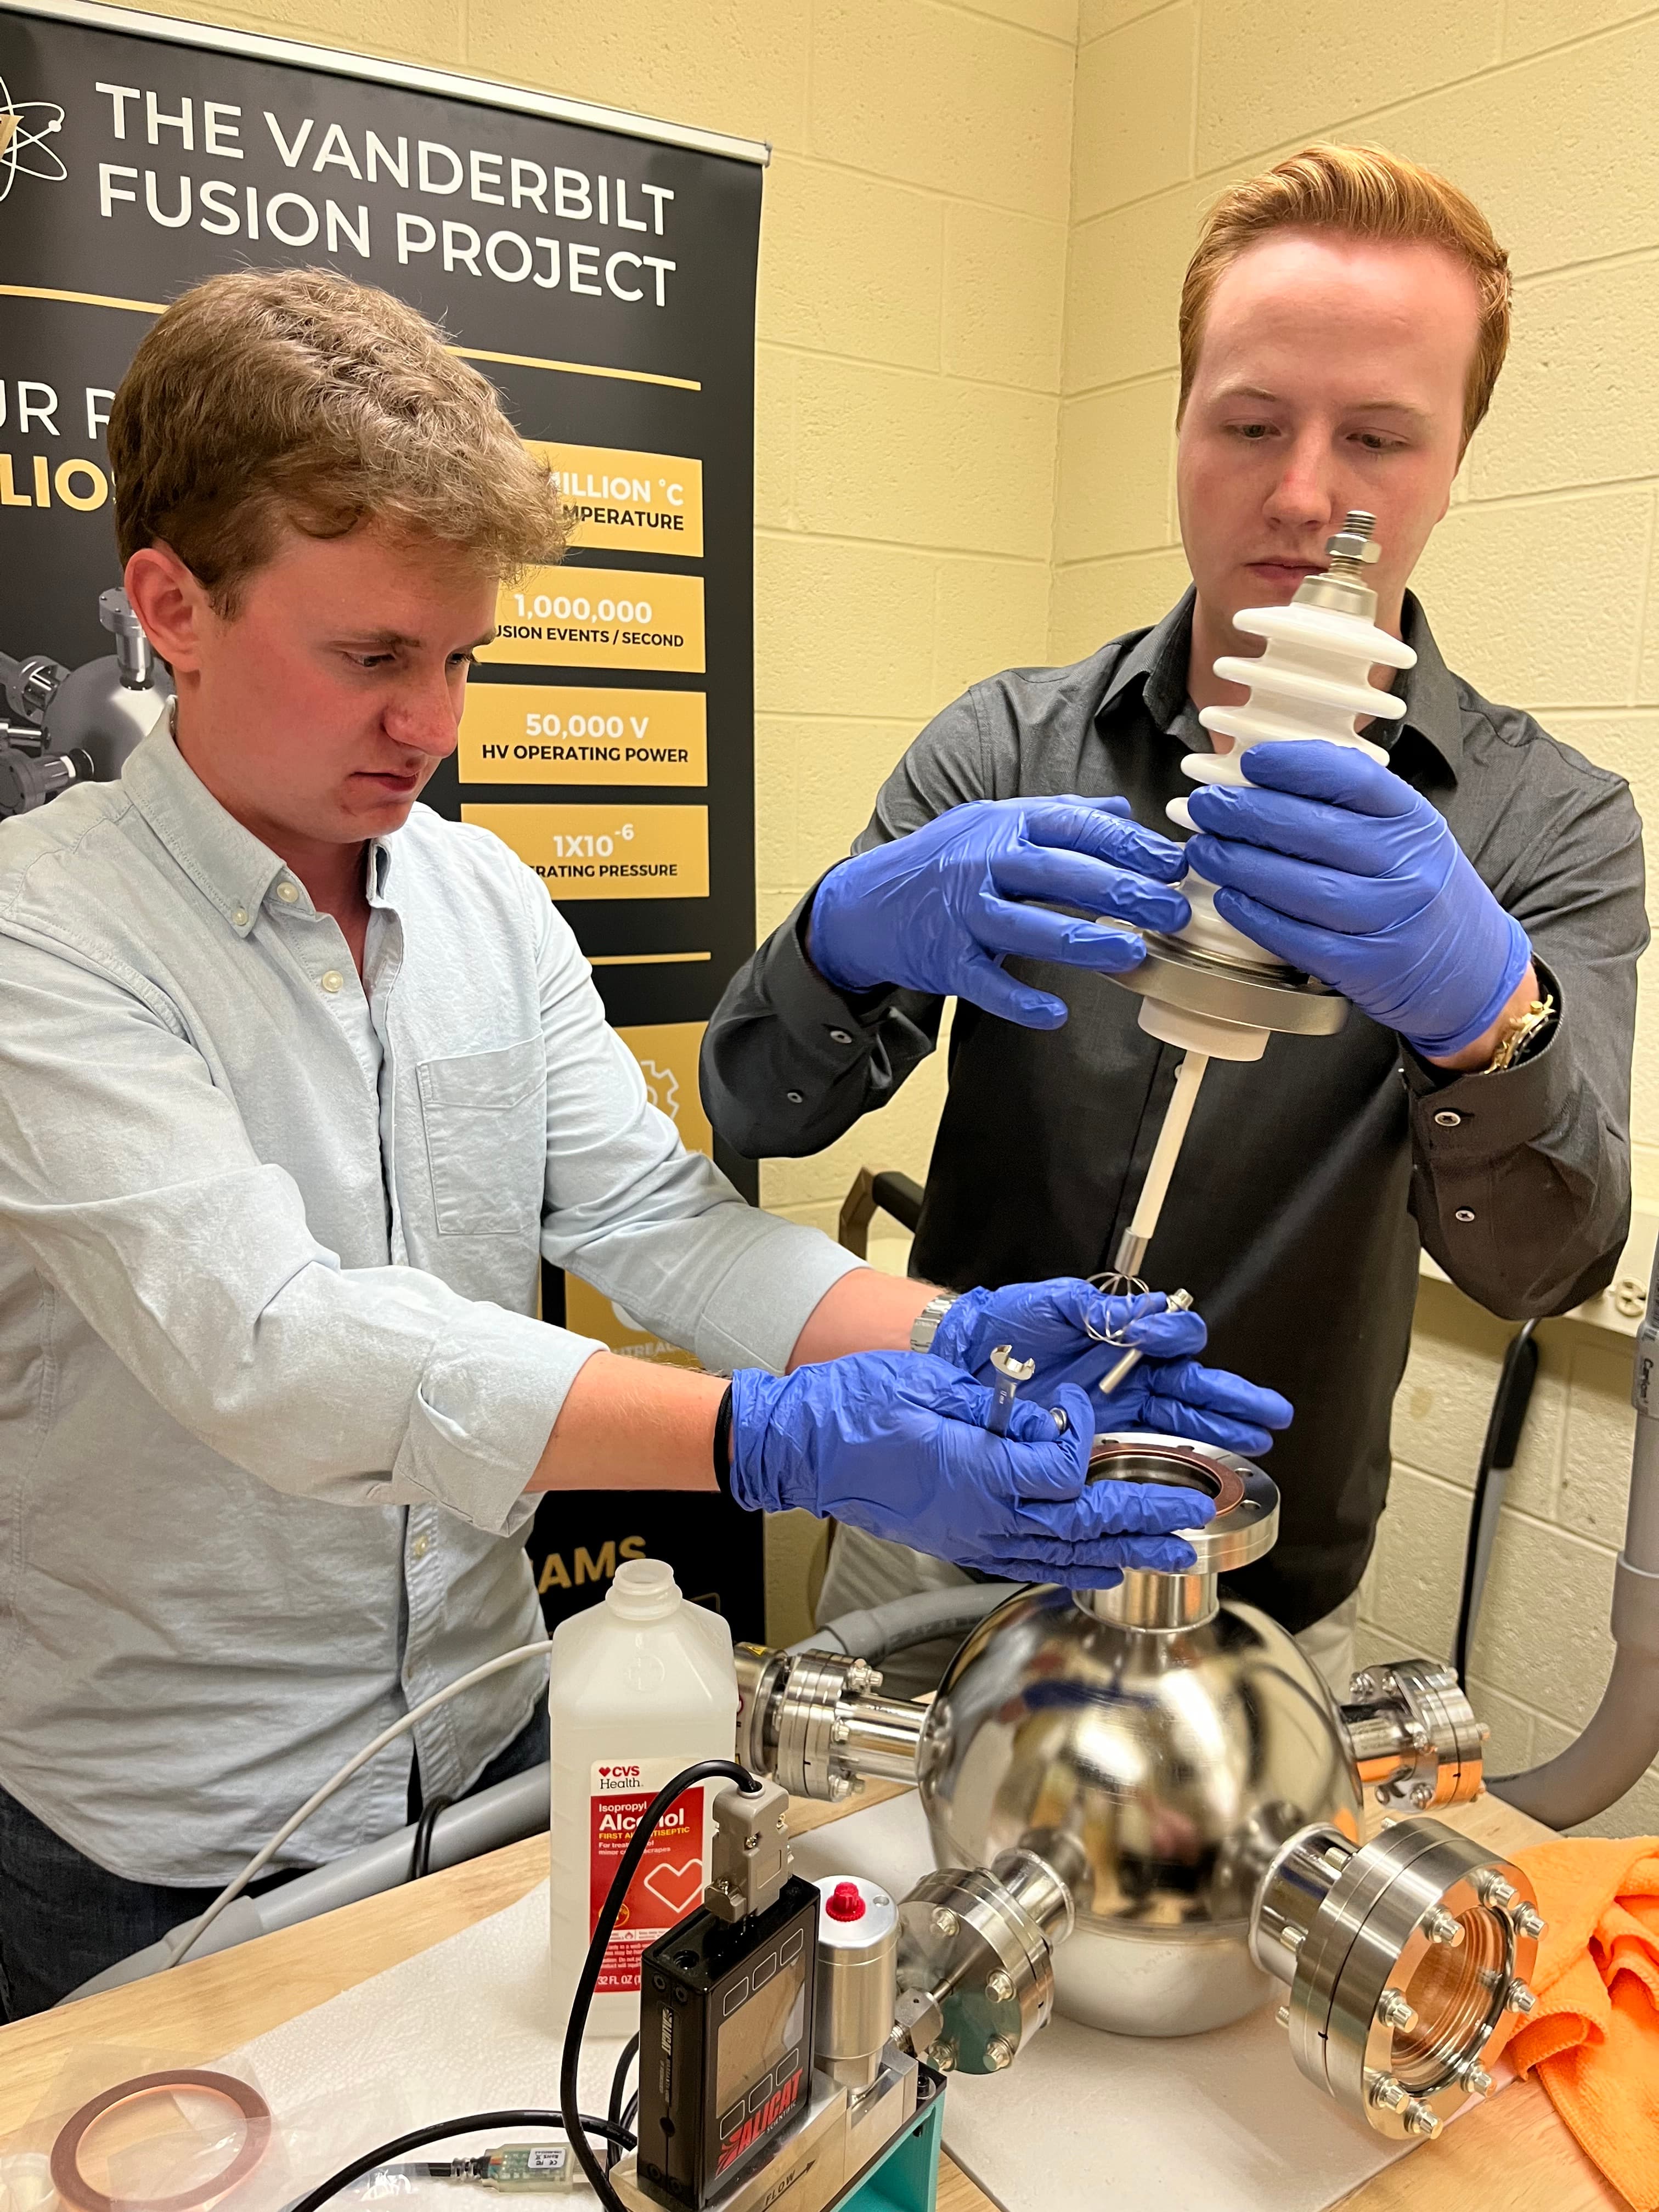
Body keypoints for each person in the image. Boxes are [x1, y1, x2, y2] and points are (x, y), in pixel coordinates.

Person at [0, 270, 1289, 2018]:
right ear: (175, 606)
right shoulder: (42, 932)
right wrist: (768, 1440)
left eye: (459, 658)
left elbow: (659, 1223)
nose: (432, 726)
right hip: (155, 1834)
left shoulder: (483, 901)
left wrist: (949, 1345)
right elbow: (269, 1346)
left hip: (489, 1745)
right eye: (372, 656)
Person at [702, 144, 1647, 1691]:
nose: (1303, 496)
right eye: (1252, 423)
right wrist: (838, 942)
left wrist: (1491, 1018)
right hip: (938, 1535)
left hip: (1250, 1589)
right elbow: (755, 1103)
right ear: (1182, 424)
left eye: (1381, 438)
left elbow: (1545, 1271)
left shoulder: (1547, 824)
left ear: (1459, 457)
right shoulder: (1007, 749)